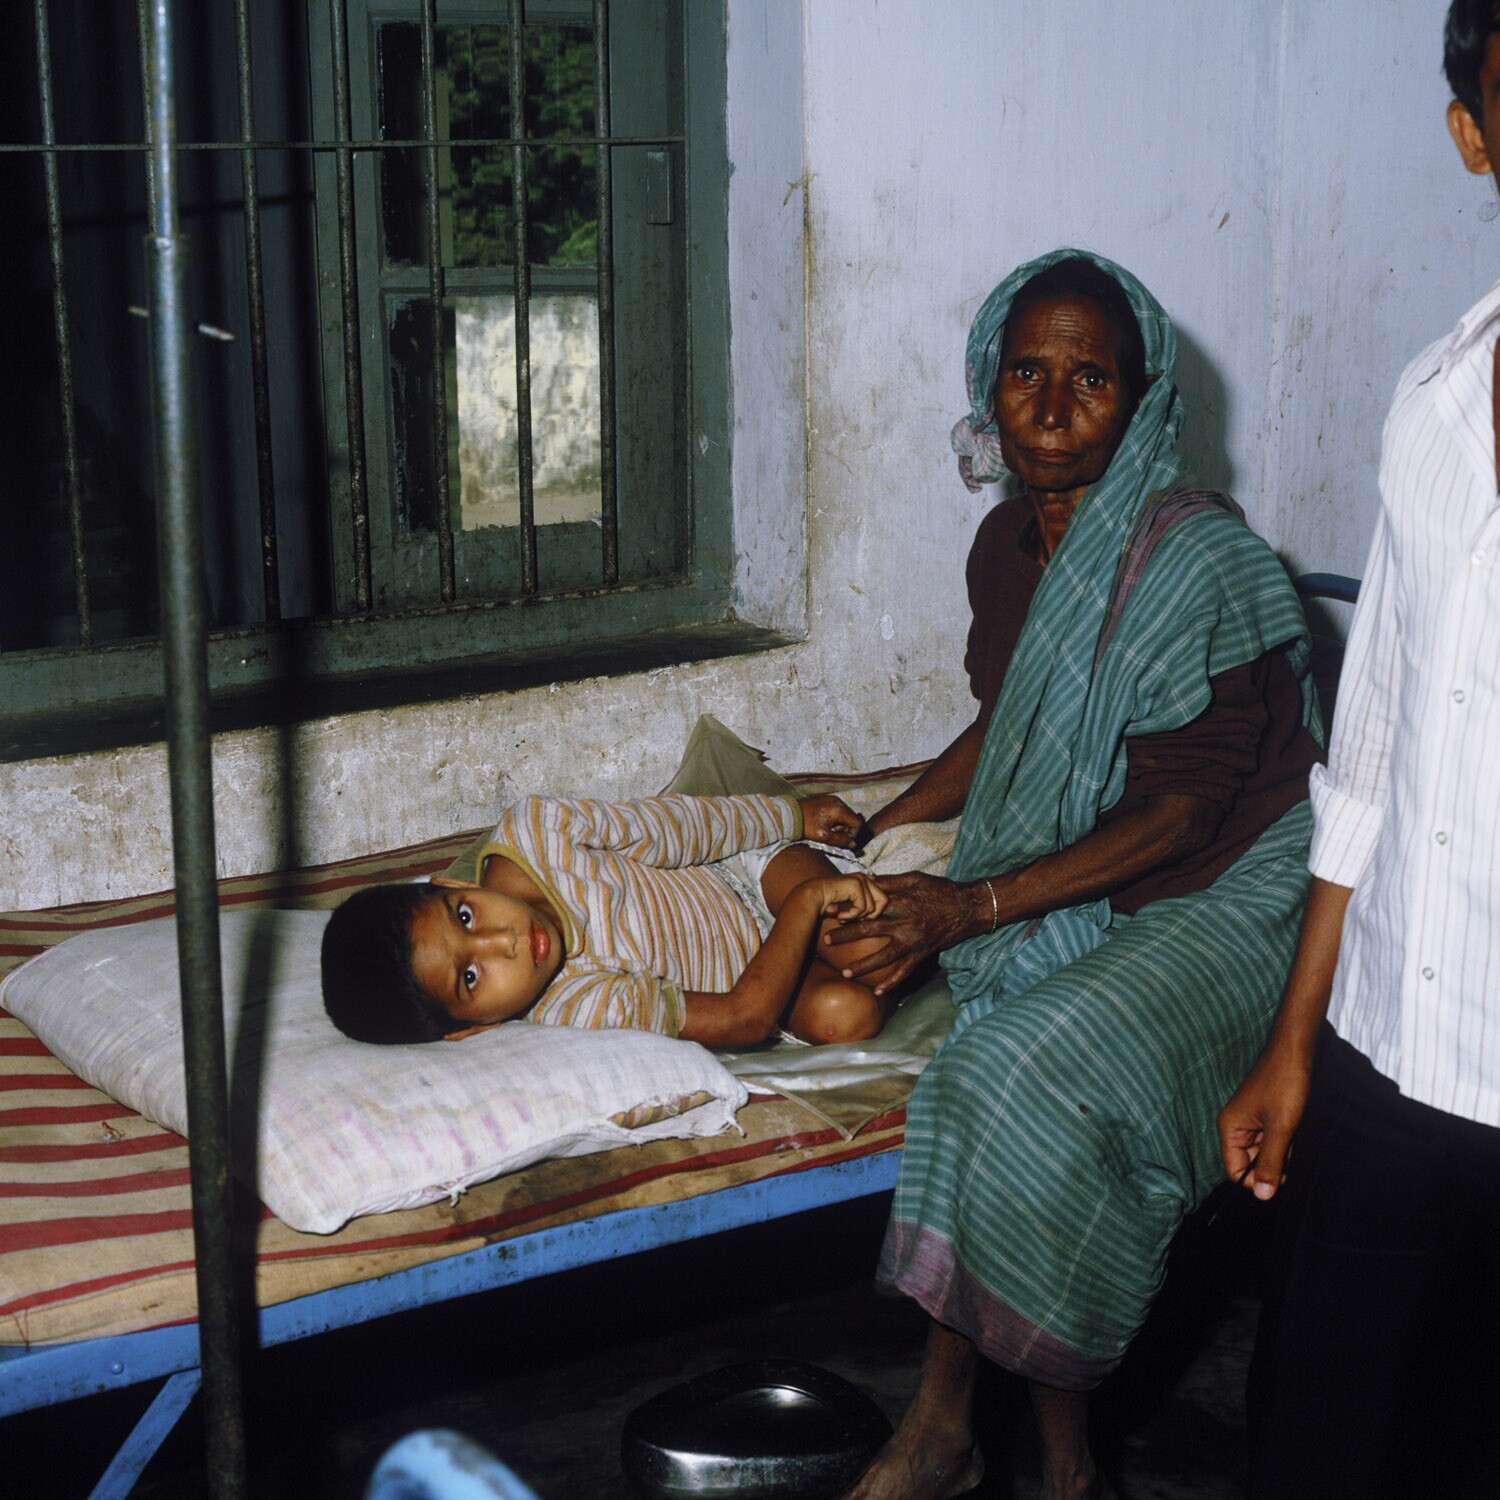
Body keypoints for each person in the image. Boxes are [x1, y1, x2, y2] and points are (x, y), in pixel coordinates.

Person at [832, 250, 1324, 1500]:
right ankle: (1053, 1461)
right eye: (1026, 374)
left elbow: (1184, 809)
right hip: (1121, 866)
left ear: (1143, 399)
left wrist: (971, 904)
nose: (1051, 408)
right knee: (994, 1074)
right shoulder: (1007, 547)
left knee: (1019, 1073)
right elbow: (1007, 723)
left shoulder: (1203, 562)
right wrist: (878, 828)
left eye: (1091, 378)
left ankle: (953, 1433)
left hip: (1239, 886)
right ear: (988, 388)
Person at [1217, 6, 1500, 1494]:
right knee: (1316, 1446)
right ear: (1475, 137)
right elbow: (1374, 738)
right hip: (1391, 1045)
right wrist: (1295, 1040)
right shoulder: (1432, 406)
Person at [321, 788, 903, 1049]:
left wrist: (790, 815)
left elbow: (679, 827)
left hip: (741, 874)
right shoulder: (574, 1009)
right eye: (470, 978)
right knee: (845, 1016)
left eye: (467, 916)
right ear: (469, 1029)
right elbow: (743, 1017)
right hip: (767, 979)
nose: (503, 942)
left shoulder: (536, 830)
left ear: (453, 885)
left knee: (858, 943)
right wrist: (806, 906)